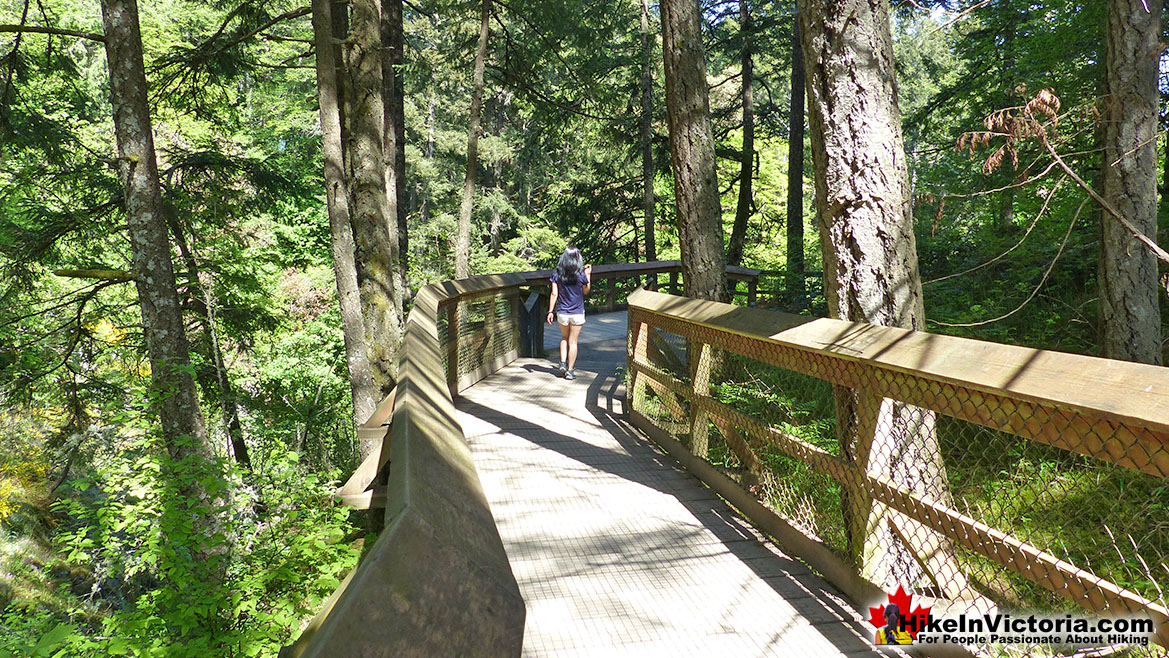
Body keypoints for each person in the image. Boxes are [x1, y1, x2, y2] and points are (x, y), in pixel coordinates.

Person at [546, 246, 591, 380]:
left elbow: (554, 294)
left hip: (562, 312)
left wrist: (550, 311)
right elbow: (586, 291)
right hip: (577, 312)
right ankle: (570, 371)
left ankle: (562, 363)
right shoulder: (581, 273)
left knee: (564, 338)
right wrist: (588, 276)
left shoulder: (557, 273)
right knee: (573, 342)